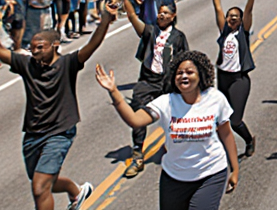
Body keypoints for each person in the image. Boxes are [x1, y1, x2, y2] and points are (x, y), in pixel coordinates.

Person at [0, 0, 119, 210]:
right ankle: (77, 191)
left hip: (59, 132)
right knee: (45, 182)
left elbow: (91, 45)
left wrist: (104, 20)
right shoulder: (26, 64)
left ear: (55, 46)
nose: (34, 52)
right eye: (32, 48)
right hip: (33, 133)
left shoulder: (68, 63)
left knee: (39, 187)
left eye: (40, 47)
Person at [96, 50, 239, 210]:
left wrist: (234, 168)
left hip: (210, 174)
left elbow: (226, 134)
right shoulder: (166, 102)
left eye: (190, 72)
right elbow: (135, 120)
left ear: (201, 76)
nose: (184, 76)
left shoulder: (215, 99)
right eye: (179, 73)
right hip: (174, 177)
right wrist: (113, 91)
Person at [121, 0, 189, 178]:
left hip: (167, 83)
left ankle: (174, 147)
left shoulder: (178, 37)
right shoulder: (150, 31)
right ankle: (137, 154)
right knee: (138, 113)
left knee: (174, 116)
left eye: (166, 13)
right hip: (148, 80)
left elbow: (185, 60)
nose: (162, 15)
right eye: (160, 12)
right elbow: (133, 16)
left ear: (173, 16)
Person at [212, 0, 257, 158]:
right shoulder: (224, 32)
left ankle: (248, 140)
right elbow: (217, 7)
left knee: (235, 119)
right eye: (229, 16)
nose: (231, 19)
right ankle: (221, 151)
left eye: (235, 17)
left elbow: (249, 9)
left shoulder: (242, 32)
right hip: (223, 77)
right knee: (221, 119)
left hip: (239, 80)